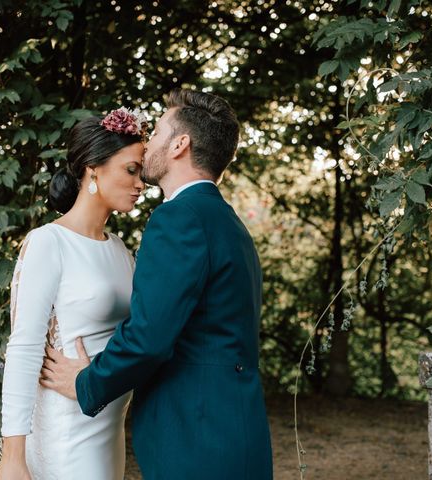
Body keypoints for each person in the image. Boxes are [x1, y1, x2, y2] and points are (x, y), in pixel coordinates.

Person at [40, 89, 273, 479]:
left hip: (196, 440)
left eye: (160, 130)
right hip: (237, 433)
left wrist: (87, 382)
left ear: (181, 144)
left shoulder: (179, 218)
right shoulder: (229, 224)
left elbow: (149, 335)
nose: (147, 144)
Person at [0, 108, 146, 480]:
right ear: (93, 169)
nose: (141, 183)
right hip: (65, 434)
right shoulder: (49, 242)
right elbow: (25, 347)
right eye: (131, 169)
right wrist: (13, 456)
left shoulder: (121, 250)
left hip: (108, 431)